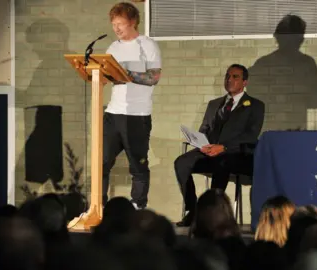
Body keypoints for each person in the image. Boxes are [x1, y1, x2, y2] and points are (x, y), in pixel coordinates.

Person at [174, 64, 265, 227]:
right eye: (227, 76)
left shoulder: (256, 105)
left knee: (222, 162)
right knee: (181, 163)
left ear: (245, 82)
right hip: (209, 150)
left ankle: (212, 214)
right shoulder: (214, 104)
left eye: (235, 77)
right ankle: (193, 210)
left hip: (237, 154)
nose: (229, 79)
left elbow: (250, 135)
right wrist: (201, 143)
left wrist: (223, 147)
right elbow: (205, 128)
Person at [102, 2, 162, 210]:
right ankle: (98, 206)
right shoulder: (113, 48)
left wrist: (128, 74)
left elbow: (154, 77)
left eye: (120, 24)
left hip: (137, 115)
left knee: (138, 165)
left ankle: (138, 206)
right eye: (113, 24)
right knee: (101, 162)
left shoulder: (147, 45)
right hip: (112, 113)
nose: (116, 28)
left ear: (133, 22)